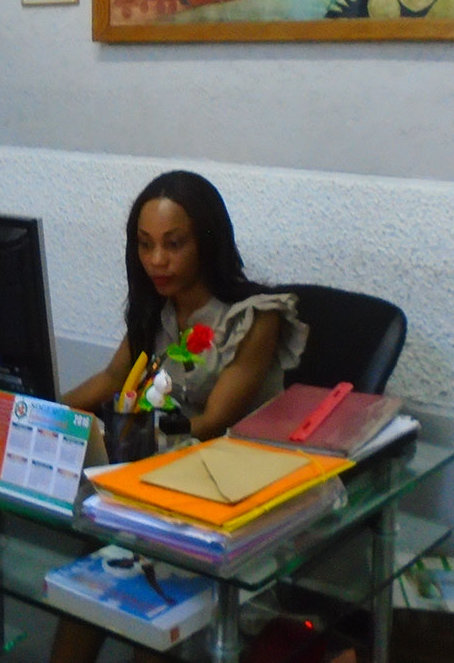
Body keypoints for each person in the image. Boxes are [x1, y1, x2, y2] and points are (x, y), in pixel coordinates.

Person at [52, 169, 307, 663]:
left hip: (225, 508)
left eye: (174, 244)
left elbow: (211, 423)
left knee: (148, 617)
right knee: (85, 589)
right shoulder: (157, 311)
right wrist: (42, 410)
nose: (157, 260)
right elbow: (112, 378)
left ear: (207, 242)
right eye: (145, 245)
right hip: (154, 495)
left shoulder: (255, 317)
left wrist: (133, 434)